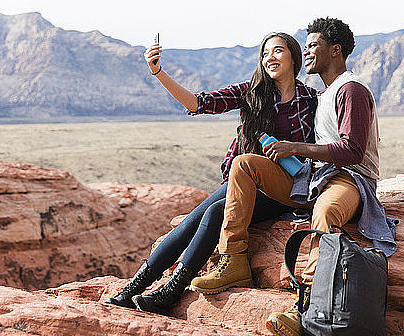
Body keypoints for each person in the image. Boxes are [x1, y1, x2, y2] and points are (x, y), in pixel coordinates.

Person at [189, 17, 397, 336]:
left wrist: (293, 147)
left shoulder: (351, 89)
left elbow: (353, 151)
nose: (308, 52)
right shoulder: (325, 94)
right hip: (312, 179)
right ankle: (234, 261)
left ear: (335, 51)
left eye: (314, 45)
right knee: (245, 165)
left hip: (348, 180)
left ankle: (306, 307)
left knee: (326, 213)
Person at [105, 32, 318, 314]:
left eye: (277, 51)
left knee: (209, 214)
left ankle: (168, 290)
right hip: (246, 182)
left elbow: (322, 146)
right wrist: (158, 73)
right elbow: (197, 103)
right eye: (265, 53)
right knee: (200, 218)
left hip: (286, 189)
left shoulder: (311, 100)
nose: (270, 58)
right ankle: (136, 288)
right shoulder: (252, 92)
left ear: (294, 56)